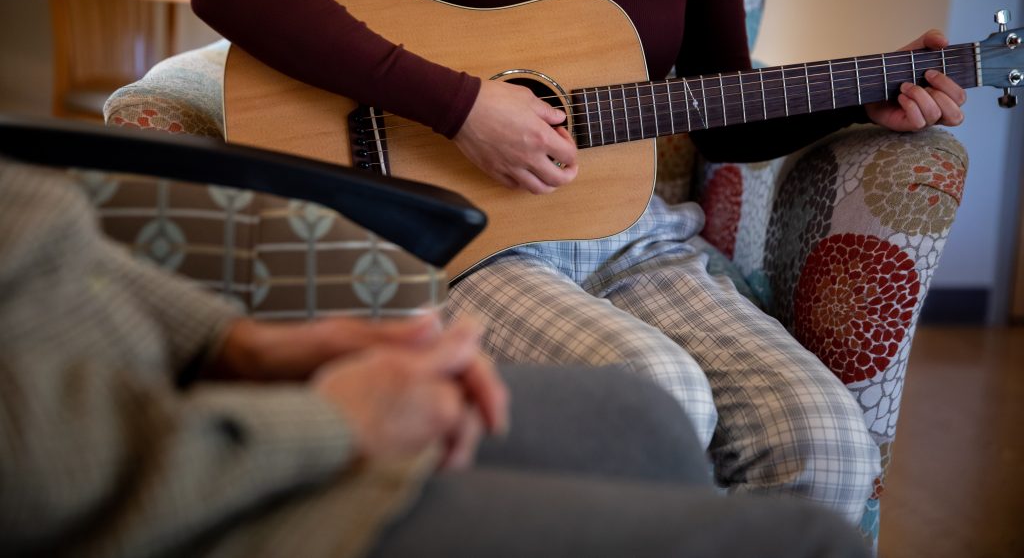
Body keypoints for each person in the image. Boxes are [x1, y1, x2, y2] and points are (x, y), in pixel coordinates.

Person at [191, 0, 968, 524]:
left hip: (639, 235)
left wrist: (861, 96)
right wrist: (460, 107)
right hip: (478, 242)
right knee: (655, 400)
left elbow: (720, 110)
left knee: (825, 439)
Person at [0, 157, 871, 558]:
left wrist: (239, 342)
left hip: (158, 394)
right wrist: (337, 418)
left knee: (643, 421)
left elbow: (36, 238)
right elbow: (41, 473)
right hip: (191, 492)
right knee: (805, 541)